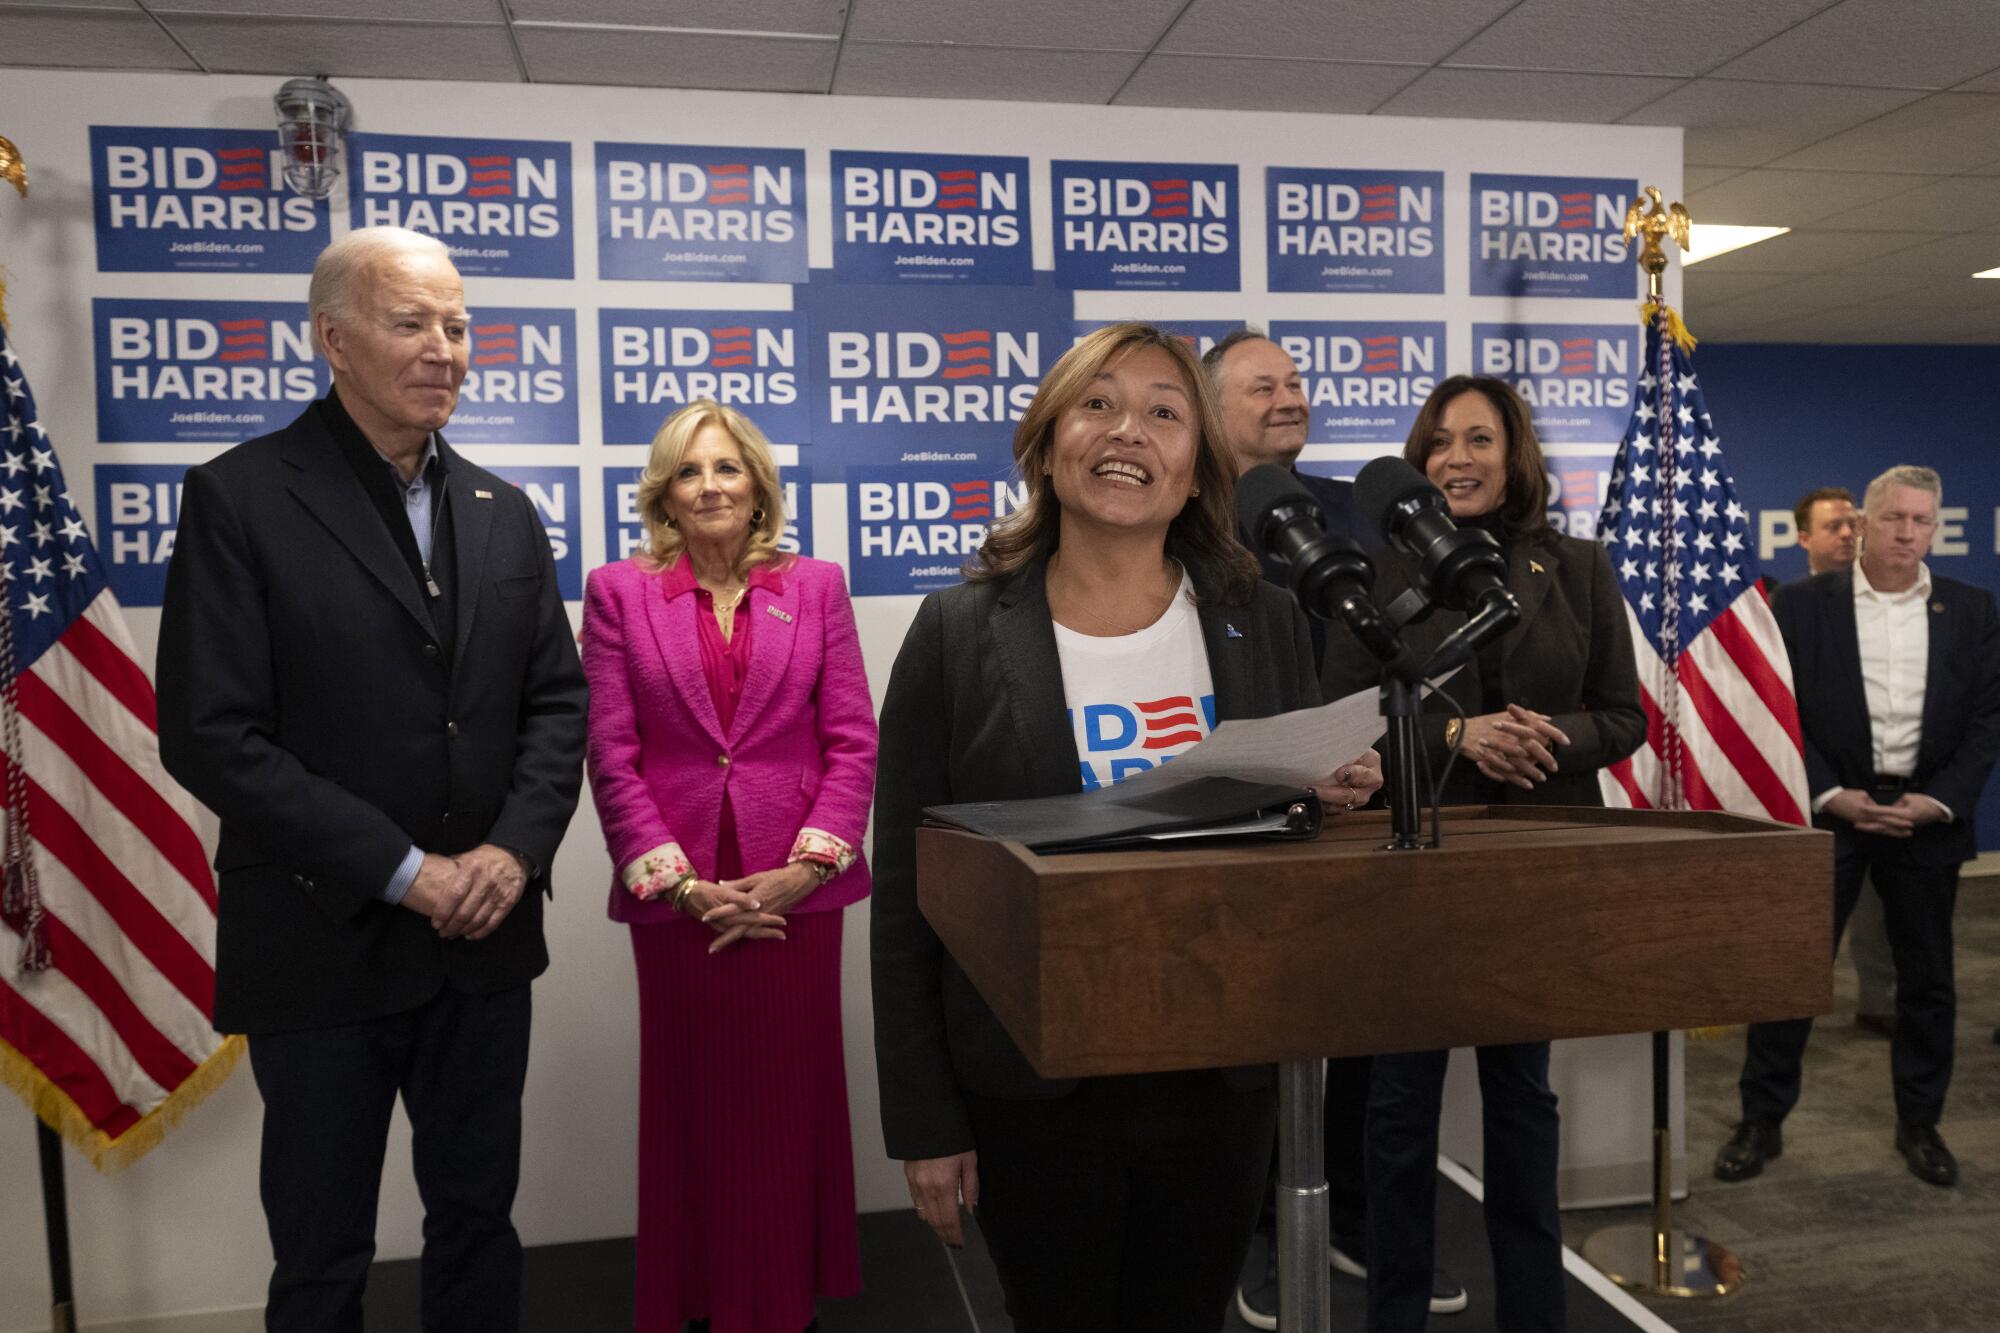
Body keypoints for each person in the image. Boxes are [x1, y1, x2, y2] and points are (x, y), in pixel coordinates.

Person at [871, 322, 1382, 1333]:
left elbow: (1282, 856)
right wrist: (923, 1123)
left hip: (1216, 1075)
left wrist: (1313, 801)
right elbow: (906, 897)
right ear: (1046, 440)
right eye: (1097, 403)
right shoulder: (956, 635)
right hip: (1031, 1079)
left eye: (1163, 411)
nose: (1127, 432)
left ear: (1196, 470)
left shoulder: (1263, 619)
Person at [156, 226, 588, 1333]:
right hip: (319, 944)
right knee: (320, 1249)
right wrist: (403, 872)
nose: (445, 348)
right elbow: (212, 734)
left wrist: (508, 852)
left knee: (478, 1224)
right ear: (332, 340)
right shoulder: (239, 497)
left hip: (483, 944)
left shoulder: (505, 511)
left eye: (456, 324)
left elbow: (556, 707)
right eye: (412, 322)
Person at [1321, 375, 1643, 1333]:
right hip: (1412, 869)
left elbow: (1623, 714)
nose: (1457, 459)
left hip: (1537, 868)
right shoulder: (1373, 577)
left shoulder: (1577, 566)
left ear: (1515, 458)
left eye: (1479, 439)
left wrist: (1544, 737)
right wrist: (1460, 737)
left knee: (1523, 1100)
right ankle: (1395, 1312)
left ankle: (1534, 1313)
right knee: (1399, 1106)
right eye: (1439, 443)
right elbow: (1340, 728)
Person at [582, 400, 876, 1332]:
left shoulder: (818, 584)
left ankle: (784, 1300)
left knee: (787, 1107)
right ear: (664, 493)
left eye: (727, 468)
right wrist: (678, 881)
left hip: (799, 895)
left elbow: (852, 739)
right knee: (690, 1110)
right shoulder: (619, 591)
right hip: (682, 904)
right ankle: (696, 1298)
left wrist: (807, 869)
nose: (709, 485)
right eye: (689, 471)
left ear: (758, 486)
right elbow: (611, 750)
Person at [1202, 330, 1466, 1327]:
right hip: (1239, 819)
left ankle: (1351, 1218)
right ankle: (1261, 1238)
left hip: (1360, 803)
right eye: (1261, 385)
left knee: (1357, 1031)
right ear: (1210, 405)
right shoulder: (1177, 523)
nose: (1287, 397)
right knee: (1258, 1042)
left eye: (1295, 382)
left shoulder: (1346, 514)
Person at [1716, 466, 2000, 1189]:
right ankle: (1761, 1121)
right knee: (1793, 975)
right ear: (1865, 524)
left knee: (1928, 981)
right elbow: (1773, 710)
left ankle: (1921, 1123)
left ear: (1936, 526)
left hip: (1924, 819)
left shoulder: (1972, 610)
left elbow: (1985, 721)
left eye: (1923, 520)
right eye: (1895, 518)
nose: (1909, 533)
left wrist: (1938, 801)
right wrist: (1829, 792)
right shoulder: (1804, 605)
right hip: (1829, 816)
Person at [1792, 486, 1897, 1037]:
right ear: (1803, 537)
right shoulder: (1783, 607)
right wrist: (1826, 788)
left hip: (1885, 793)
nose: (1847, 536)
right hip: (1814, 796)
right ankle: (1793, 1016)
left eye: (1853, 525)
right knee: (1808, 923)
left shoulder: (1888, 608)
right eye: (1833, 527)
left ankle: (1882, 1003)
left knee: (1883, 915)